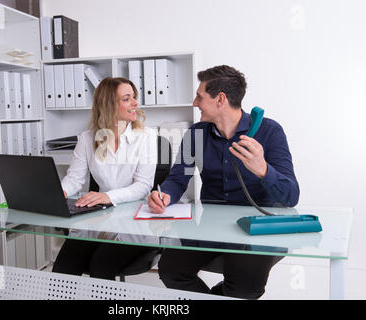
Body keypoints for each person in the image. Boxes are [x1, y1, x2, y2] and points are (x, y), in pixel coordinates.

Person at [148, 65, 300, 299]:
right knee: (171, 269)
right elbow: (178, 179)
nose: (194, 103)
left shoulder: (270, 131)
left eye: (200, 96)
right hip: (210, 226)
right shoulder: (196, 134)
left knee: (245, 287)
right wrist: (166, 194)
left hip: (256, 228)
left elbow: (291, 196)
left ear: (220, 99)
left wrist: (263, 170)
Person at [52, 77, 157, 280]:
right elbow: (74, 178)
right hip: (99, 219)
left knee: (101, 266)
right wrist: (59, 192)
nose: (135, 103)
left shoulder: (147, 137)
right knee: (64, 268)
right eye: (127, 99)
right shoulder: (87, 138)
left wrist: (107, 196)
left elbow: (143, 186)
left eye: (133, 97)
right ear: (108, 104)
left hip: (135, 222)